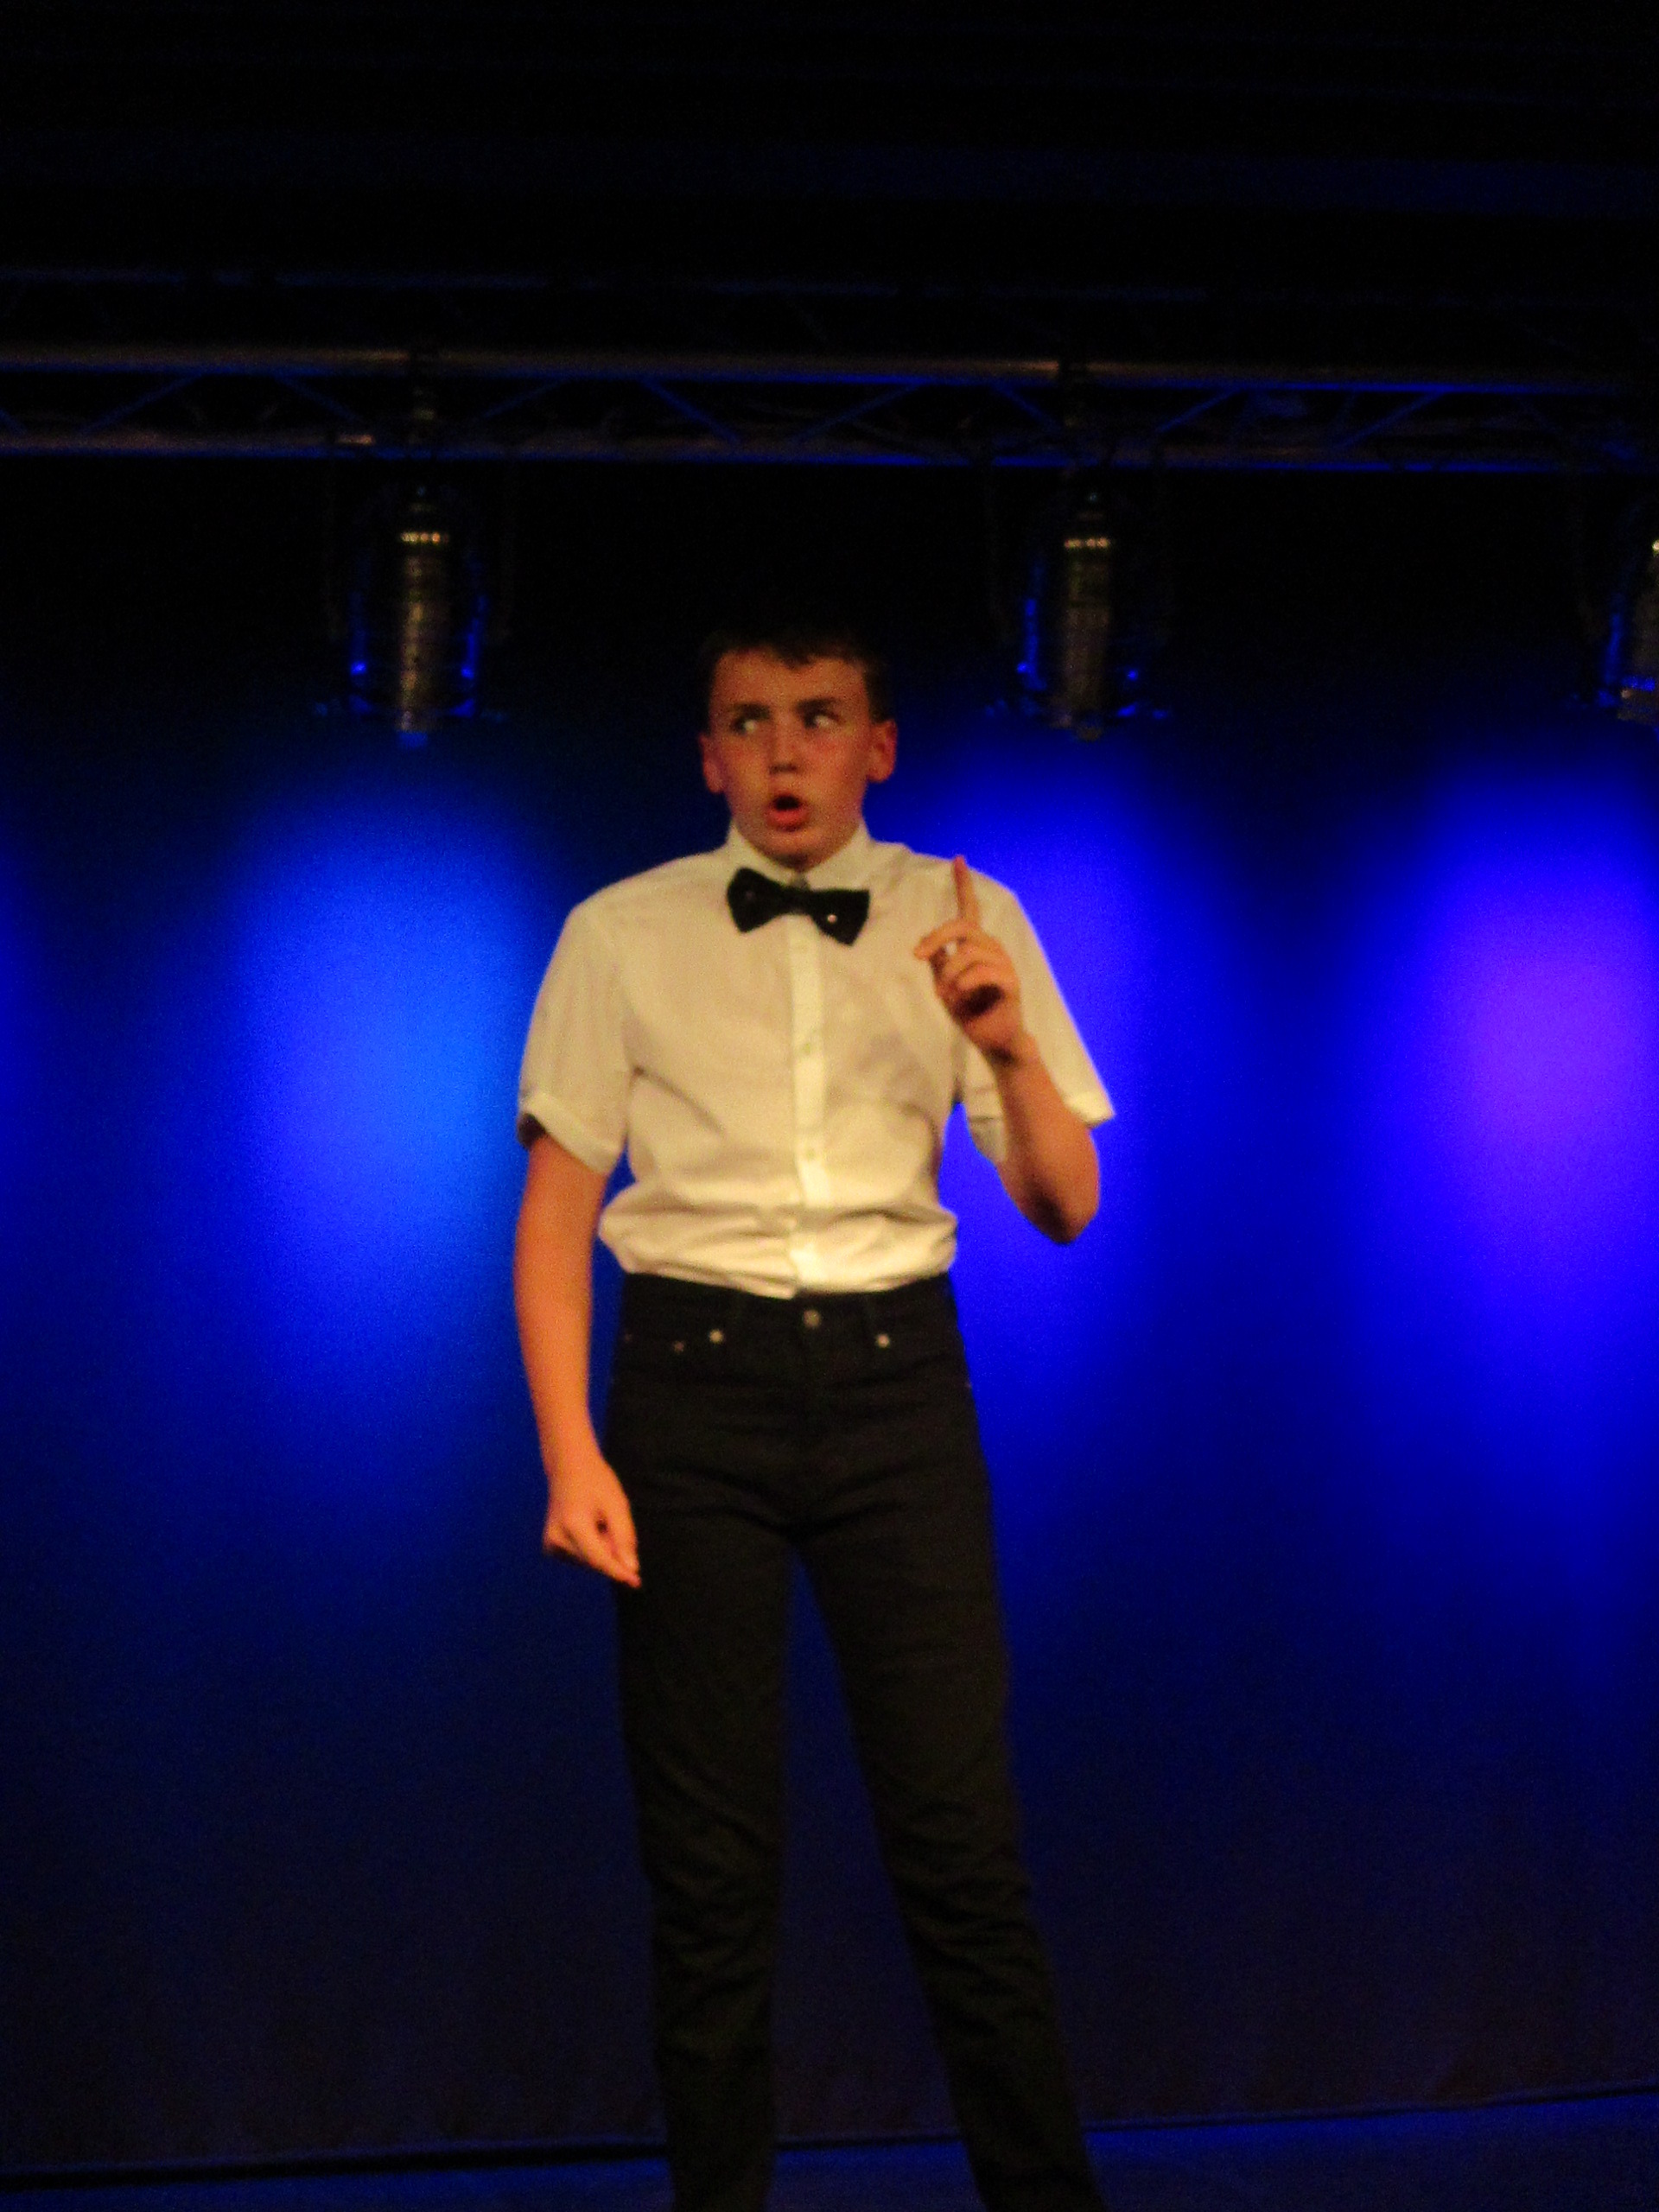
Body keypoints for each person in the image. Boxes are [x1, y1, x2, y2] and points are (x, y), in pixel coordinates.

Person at [512, 614, 1114, 2212]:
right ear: (709, 757)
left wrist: (1006, 1047)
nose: (786, 751)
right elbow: (557, 1213)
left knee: (961, 1849)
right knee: (709, 1873)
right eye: (751, 721)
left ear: (879, 745)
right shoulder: (619, 932)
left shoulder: (964, 916)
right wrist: (572, 1451)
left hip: (895, 1385)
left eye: (821, 716)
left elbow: (1066, 1205)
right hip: (690, 1392)